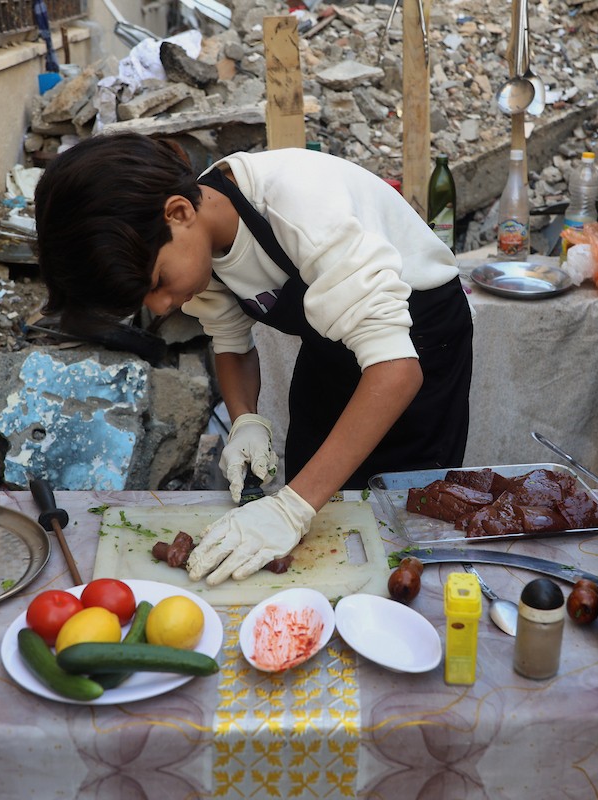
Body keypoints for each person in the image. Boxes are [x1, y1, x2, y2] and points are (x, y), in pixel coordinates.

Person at [35, 133, 473, 585]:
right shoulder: (199, 234)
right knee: (317, 514)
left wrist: (292, 507)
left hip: (418, 346)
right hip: (331, 348)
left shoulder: (300, 207)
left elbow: (396, 371)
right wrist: (245, 419)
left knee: (401, 524)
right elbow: (230, 340)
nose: (162, 305)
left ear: (179, 213)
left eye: (159, 282)